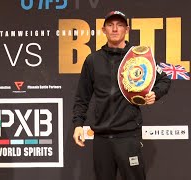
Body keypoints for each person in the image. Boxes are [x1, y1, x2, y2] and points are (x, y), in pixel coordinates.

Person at [72, 11, 171, 180]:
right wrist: (78, 124)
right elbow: (82, 96)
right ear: (103, 30)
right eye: (110, 25)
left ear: (127, 29)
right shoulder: (92, 60)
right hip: (102, 138)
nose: (115, 29)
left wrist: (155, 93)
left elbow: (164, 79)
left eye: (120, 25)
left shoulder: (139, 57)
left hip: (128, 136)